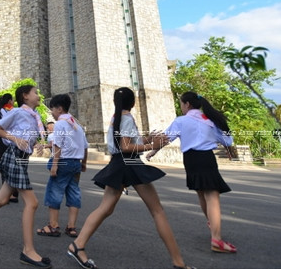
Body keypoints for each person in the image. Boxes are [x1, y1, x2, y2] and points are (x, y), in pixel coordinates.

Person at [67, 87, 193, 269]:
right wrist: (152, 144)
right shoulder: (126, 118)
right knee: (157, 211)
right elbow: (126, 146)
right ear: (132, 102)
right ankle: (179, 263)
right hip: (129, 164)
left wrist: (148, 139)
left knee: (106, 209)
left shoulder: (116, 119)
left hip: (120, 164)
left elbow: (127, 143)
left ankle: (77, 245)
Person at [0, 84, 50, 269]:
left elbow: (26, 134)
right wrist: (14, 139)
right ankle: (28, 251)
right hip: (14, 156)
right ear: (25, 96)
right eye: (36, 92)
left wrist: (35, 143)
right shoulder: (18, 112)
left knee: (2, 199)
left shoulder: (33, 116)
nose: (38, 95)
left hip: (22, 158)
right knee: (32, 203)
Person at [159, 91, 237, 254]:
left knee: (202, 193)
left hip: (190, 160)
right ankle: (216, 239)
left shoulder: (181, 121)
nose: (181, 107)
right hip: (206, 159)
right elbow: (228, 140)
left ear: (187, 104)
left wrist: (152, 151)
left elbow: (165, 138)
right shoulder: (209, 120)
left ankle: (212, 223)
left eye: (181, 104)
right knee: (212, 197)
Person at [37, 94, 88, 239]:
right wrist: (84, 163)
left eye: (52, 109)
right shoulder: (77, 125)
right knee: (74, 192)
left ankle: (53, 226)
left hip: (63, 162)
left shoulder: (60, 124)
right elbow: (85, 147)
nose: (51, 112)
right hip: (75, 163)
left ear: (59, 109)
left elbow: (57, 145)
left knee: (54, 191)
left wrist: (54, 165)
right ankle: (71, 227)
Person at [0, 93, 18, 203]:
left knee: (4, 165)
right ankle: (13, 193)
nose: (13, 102)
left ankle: (6, 193)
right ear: (9, 101)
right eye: (12, 100)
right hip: (13, 140)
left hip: (2, 140)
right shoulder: (14, 111)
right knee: (14, 165)